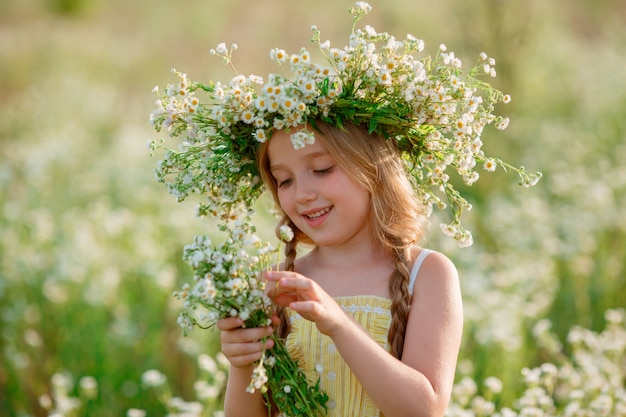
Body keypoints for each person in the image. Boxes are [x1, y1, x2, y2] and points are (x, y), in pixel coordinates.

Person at [217, 121, 463, 417]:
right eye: (284, 180)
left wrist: (339, 325)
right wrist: (243, 363)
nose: (301, 194)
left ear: (372, 167)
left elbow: (424, 410)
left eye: (321, 169)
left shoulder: (428, 273)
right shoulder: (276, 284)